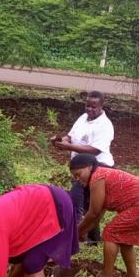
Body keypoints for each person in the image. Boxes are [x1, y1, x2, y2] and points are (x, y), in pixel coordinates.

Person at [70, 154, 139, 277]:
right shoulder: (104, 174)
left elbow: (93, 213)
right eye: (75, 177)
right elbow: (97, 216)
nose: (77, 179)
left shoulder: (97, 177)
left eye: (79, 174)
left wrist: (77, 232)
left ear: (89, 167)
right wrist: (83, 231)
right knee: (124, 238)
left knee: (111, 233)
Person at [51, 91, 114, 244]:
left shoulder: (106, 125)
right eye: (87, 106)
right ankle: (92, 238)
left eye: (94, 107)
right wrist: (61, 140)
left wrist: (69, 146)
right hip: (81, 168)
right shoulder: (82, 118)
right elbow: (70, 136)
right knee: (90, 203)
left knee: (76, 198)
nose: (90, 110)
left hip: (98, 167)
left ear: (101, 106)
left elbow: (95, 150)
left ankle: (77, 233)